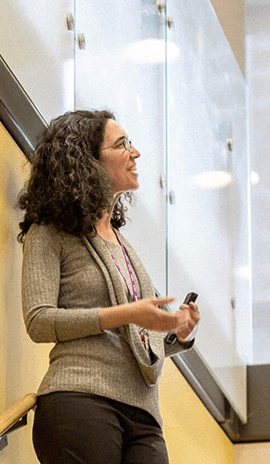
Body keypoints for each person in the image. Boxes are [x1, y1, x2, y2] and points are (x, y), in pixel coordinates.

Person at [17, 109, 200, 464]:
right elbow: (38, 321)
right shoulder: (48, 232)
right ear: (88, 161)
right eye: (123, 144)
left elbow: (131, 335)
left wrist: (176, 330)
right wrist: (127, 314)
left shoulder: (122, 244)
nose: (136, 153)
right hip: (79, 398)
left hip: (144, 413)